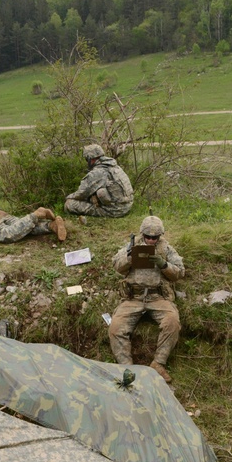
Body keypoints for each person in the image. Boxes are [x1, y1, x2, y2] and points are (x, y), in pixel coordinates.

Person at [108, 216, 183, 384]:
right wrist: (129, 258)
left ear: (160, 236)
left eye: (154, 237)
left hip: (158, 297)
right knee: (115, 327)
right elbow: (116, 266)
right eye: (147, 236)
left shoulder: (166, 249)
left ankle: (158, 363)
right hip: (133, 297)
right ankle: (127, 368)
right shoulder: (132, 246)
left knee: (172, 321)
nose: (150, 240)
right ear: (142, 234)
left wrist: (164, 264)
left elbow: (179, 272)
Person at [64, 144, 134, 218]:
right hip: (127, 206)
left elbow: (81, 193)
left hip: (115, 211)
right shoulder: (116, 167)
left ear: (90, 159)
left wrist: (68, 197)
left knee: (69, 204)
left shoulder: (97, 172)